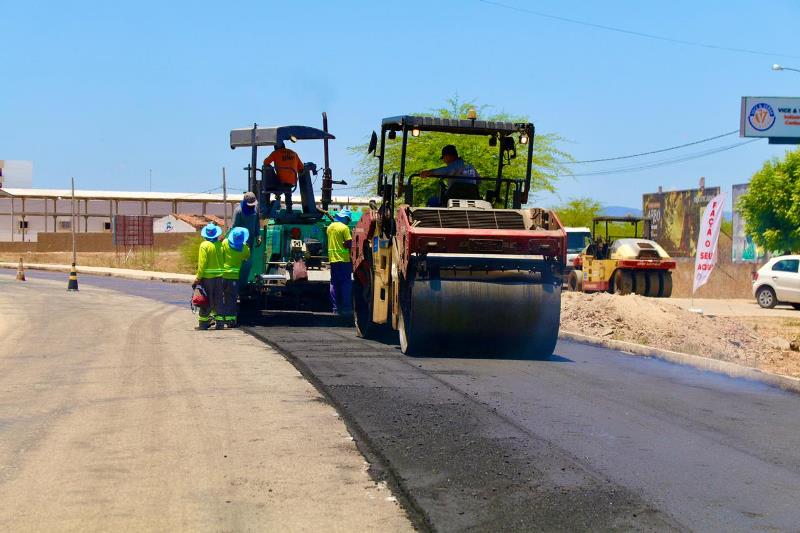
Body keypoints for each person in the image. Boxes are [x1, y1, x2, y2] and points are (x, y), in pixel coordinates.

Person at [194, 223, 225, 330]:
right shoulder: (220, 245)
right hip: (220, 277)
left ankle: (203, 324)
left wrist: (198, 277)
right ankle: (220, 323)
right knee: (218, 300)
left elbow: (202, 263)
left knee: (206, 300)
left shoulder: (204, 245)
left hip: (207, 277)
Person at [220, 227, 251, 328]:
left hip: (223, 275)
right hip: (234, 277)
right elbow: (246, 257)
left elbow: (221, 253)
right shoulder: (245, 249)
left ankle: (219, 318)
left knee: (221, 297)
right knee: (231, 298)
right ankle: (230, 320)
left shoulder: (224, 243)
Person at [326, 208, 353, 317]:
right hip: (344, 260)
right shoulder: (344, 228)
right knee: (346, 284)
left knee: (334, 283)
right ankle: (346, 308)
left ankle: (335, 309)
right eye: (348, 219)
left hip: (333, 260)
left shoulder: (329, 227)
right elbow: (349, 243)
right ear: (345, 218)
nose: (348, 221)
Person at [263, 141, 304, 212]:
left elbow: (265, 162)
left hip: (280, 182)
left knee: (266, 167)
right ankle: (289, 207)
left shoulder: (275, 153)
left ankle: (267, 205)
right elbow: (301, 167)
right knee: (287, 190)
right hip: (292, 183)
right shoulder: (293, 153)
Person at [232, 191, 260, 284]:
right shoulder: (238, 211)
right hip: (240, 243)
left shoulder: (255, 210)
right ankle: (237, 285)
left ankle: (243, 283)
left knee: (248, 264)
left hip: (250, 241)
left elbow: (256, 223)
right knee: (240, 264)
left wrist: (258, 235)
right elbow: (234, 227)